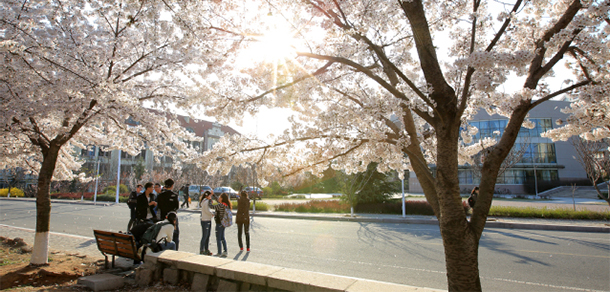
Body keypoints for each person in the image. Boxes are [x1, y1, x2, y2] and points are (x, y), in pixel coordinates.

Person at [157, 179, 180, 250]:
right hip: (172, 217)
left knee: (163, 234)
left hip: (163, 217)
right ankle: (174, 249)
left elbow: (159, 206)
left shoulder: (160, 195)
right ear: (172, 186)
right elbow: (177, 206)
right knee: (175, 234)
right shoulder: (174, 195)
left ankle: (163, 248)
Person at [210, 192, 231, 257]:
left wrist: (209, 201)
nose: (218, 198)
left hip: (219, 223)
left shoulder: (220, 205)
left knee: (218, 238)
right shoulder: (225, 205)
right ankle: (225, 251)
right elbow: (218, 201)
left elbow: (212, 207)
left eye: (219, 197)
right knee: (222, 237)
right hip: (223, 223)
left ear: (222, 199)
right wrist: (213, 195)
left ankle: (219, 252)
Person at [199, 191, 214, 255]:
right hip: (206, 219)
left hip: (204, 219)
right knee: (205, 236)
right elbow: (207, 210)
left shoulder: (203, 201)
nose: (211, 197)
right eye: (210, 195)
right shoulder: (206, 201)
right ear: (207, 196)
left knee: (207, 235)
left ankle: (206, 249)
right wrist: (212, 214)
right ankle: (202, 249)